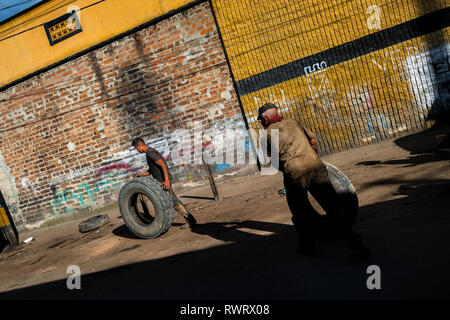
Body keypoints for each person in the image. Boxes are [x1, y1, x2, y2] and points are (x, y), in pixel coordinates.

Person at [258, 103, 369, 258]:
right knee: (333, 205)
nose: (262, 123)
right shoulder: (293, 122)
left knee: (299, 211)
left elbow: (275, 162)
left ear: (264, 118)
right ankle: (356, 245)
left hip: (295, 173)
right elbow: (313, 142)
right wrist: (313, 159)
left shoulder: (266, 134)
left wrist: (287, 169)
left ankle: (306, 246)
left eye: (261, 121)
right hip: (316, 166)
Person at [132, 137, 197, 227]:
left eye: (136, 149)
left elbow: (162, 164)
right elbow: (153, 168)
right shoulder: (149, 152)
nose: (137, 151)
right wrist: (143, 174)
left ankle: (190, 220)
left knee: (173, 201)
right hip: (162, 181)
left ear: (139, 146)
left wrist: (166, 180)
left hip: (164, 181)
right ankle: (190, 220)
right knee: (172, 200)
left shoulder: (150, 153)